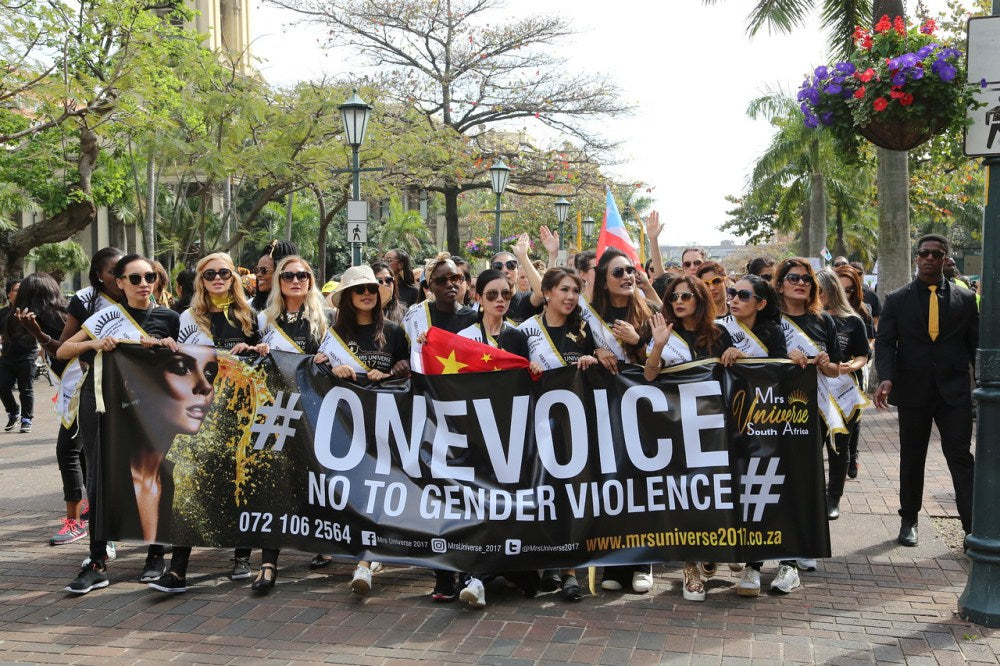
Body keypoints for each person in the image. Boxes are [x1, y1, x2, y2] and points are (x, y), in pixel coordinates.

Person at [59, 253, 182, 594]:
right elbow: (63, 350)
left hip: (151, 408)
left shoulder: (171, 318)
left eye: (149, 277)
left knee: (153, 474)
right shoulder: (106, 317)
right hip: (102, 403)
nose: (144, 284)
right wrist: (95, 343)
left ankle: (155, 555)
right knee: (100, 477)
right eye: (135, 278)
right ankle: (97, 562)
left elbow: (187, 365)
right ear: (120, 283)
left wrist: (171, 349)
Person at [150, 252, 267, 593]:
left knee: (242, 481)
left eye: (224, 273)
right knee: (188, 484)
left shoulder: (250, 316)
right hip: (201, 411)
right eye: (210, 274)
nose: (218, 279)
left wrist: (257, 350)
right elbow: (179, 363)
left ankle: (242, 556)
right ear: (200, 280)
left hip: (242, 411)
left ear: (233, 278)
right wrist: (168, 348)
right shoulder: (187, 317)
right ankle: (177, 570)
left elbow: (266, 360)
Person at [874, 234, 978, 547]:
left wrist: (984, 384)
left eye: (936, 254)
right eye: (924, 253)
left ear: (946, 259)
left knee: (960, 457)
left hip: (954, 393)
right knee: (912, 456)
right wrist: (886, 377)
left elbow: (974, 345)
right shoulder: (897, 299)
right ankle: (909, 520)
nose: (929, 258)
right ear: (916, 258)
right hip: (913, 391)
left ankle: (972, 528)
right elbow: (885, 343)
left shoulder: (964, 299)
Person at [643, 276, 734, 602]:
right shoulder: (662, 330)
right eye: (674, 297)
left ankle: (711, 547)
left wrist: (734, 354)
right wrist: (658, 345)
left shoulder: (719, 334)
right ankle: (690, 567)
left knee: (713, 492)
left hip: (713, 426)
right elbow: (649, 374)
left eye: (686, 296)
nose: (679, 302)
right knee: (684, 494)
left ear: (699, 298)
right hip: (675, 426)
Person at [452, 268, 536, 608]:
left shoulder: (518, 337)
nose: (500, 300)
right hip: (474, 433)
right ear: (478, 298)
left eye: (506, 294)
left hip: (510, 432)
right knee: (478, 503)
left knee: (507, 503)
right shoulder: (464, 336)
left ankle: (499, 568)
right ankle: (475, 575)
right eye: (492, 295)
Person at [325, 265, 409, 596]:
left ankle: (366, 560)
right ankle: (366, 555)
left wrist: (391, 372)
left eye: (372, 289)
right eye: (359, 290)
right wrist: (333, 369)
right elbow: (317, 370)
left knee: (379, 488)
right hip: (346, 426)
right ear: (347, 297)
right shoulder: (334, 335)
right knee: (357, 491)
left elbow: (408, 367)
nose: (367, 294)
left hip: (386, 424)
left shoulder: (394, 331)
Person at [517, 267, 599, 601]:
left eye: (575, 291)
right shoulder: (524, 332)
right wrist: (526, 370)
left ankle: (569, 572)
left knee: (570, 497)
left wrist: (594, 359)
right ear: (547, 292)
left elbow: (605, 368)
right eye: (564, 289)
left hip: (575, 429)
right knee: (542, 495)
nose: (570, 297)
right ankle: (547, 562)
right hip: (535, 429)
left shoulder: (585, 330)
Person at [253, 255, 333, 592]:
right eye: (288, 276)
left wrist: (326, 361)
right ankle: (268, 563)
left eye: (302, 275)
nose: (296, 281)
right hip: (276, 410)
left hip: (314, 410)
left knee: (315, 477)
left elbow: (336, 362)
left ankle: (322, 544)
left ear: (311, 280)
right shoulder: (264, 320)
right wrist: (256, 351)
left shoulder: (326, 318)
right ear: (278, 281)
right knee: (275, 480)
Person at [773, 257, 845, 594]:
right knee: (778, 478)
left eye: (806, 279)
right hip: (770, 410)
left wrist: (827, 364)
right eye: (793, 278)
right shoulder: (768, 321)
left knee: (805, 478)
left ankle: (803, 544)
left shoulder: (823, 320)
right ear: (780, 284)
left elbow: (834, 370)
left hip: (808, 411)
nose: (800, 283)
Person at [714, 275, 789, 597]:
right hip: (726, 419)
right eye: (732, 293)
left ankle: (756, 565)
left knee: (760, 488)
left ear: (761, 303)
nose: (734, 299)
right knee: (732, 487)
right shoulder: (720, 329)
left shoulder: (773, 332)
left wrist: (748, 359)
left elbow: (782, 369)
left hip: (763, 420)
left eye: (743, 295)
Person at [816, 269, 870, 520]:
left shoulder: (852, 321)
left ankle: (833, 498)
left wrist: (850, 366)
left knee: (839, 445)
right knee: (811, 446)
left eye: (820, 290)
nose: (816, 294)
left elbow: (863, 354)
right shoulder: (807, 320)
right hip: (813, 390)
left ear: (831, 290)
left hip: (843, 389)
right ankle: (813, 496)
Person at [401, 255, 478, 377]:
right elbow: (403, 356)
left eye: (455, 278)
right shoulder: (416, 316)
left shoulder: (474, 319)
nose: (450, 284)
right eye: (441, 280)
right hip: (428, 386)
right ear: (430, 286)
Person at [835, 265, 875, 479]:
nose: (845, 294)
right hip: (828, 374)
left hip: (852, 373)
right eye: (840, 288)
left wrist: (854, 363)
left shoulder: (862, 312)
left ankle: (852, 454)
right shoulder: (821, 312)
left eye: (849, 289)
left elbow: (868, 344)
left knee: (853, 416)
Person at [0, 278, 32, 433]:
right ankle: (13, 412)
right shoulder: (2, 313)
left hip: (27, 355)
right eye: (16, 290)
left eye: (22, 290)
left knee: (25, 389)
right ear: (8, 294)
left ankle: (26, 419)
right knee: (2, 386)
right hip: (7, 356)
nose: (20, 293)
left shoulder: (31, 311)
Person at [251, 240, 298, 311]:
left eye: (264, 270)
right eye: (256, 270)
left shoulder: (305, 309)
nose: (258, 275)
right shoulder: (250, 308)